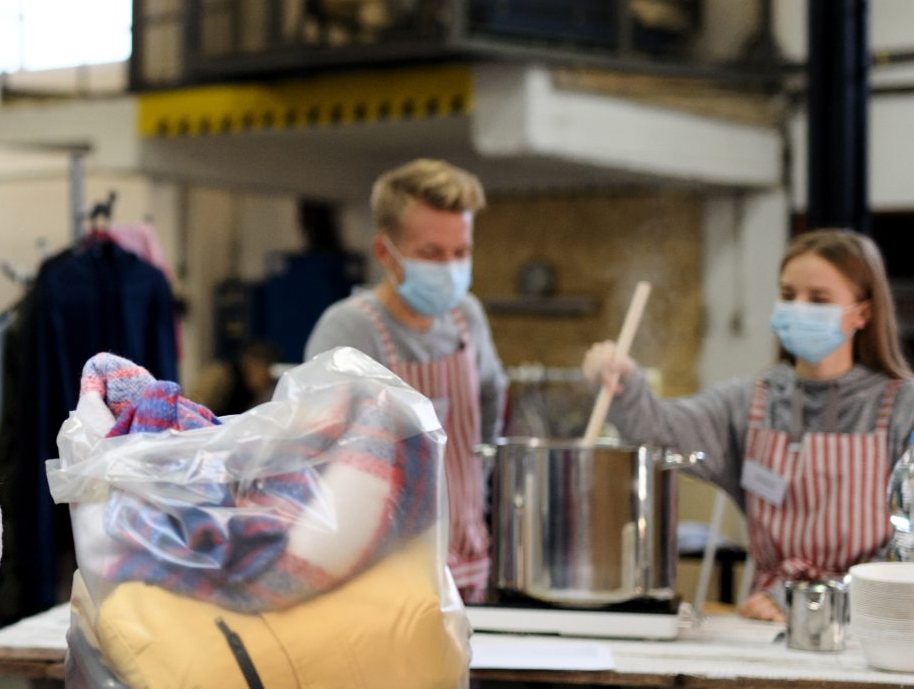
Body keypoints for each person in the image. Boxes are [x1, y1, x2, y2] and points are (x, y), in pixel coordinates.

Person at [584, 229, 914, 621]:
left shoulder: (902, 408)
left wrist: (809, 598)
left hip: (871, 621)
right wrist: (623, 386)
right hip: (767, 622)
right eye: (789, 296)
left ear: (863, 312)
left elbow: (905, 553)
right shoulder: (749, 403)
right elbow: (660, 433)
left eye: (819, 299)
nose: (799, 307)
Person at [304, 158, 507, 602]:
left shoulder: (466, 317)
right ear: (384, 253)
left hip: (468, 560)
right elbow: (317, 458)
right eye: (432, 254)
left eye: (461, 253)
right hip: (380, 572)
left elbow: (491, 404)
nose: (451, 268)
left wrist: (475, 494)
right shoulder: (347, 330)